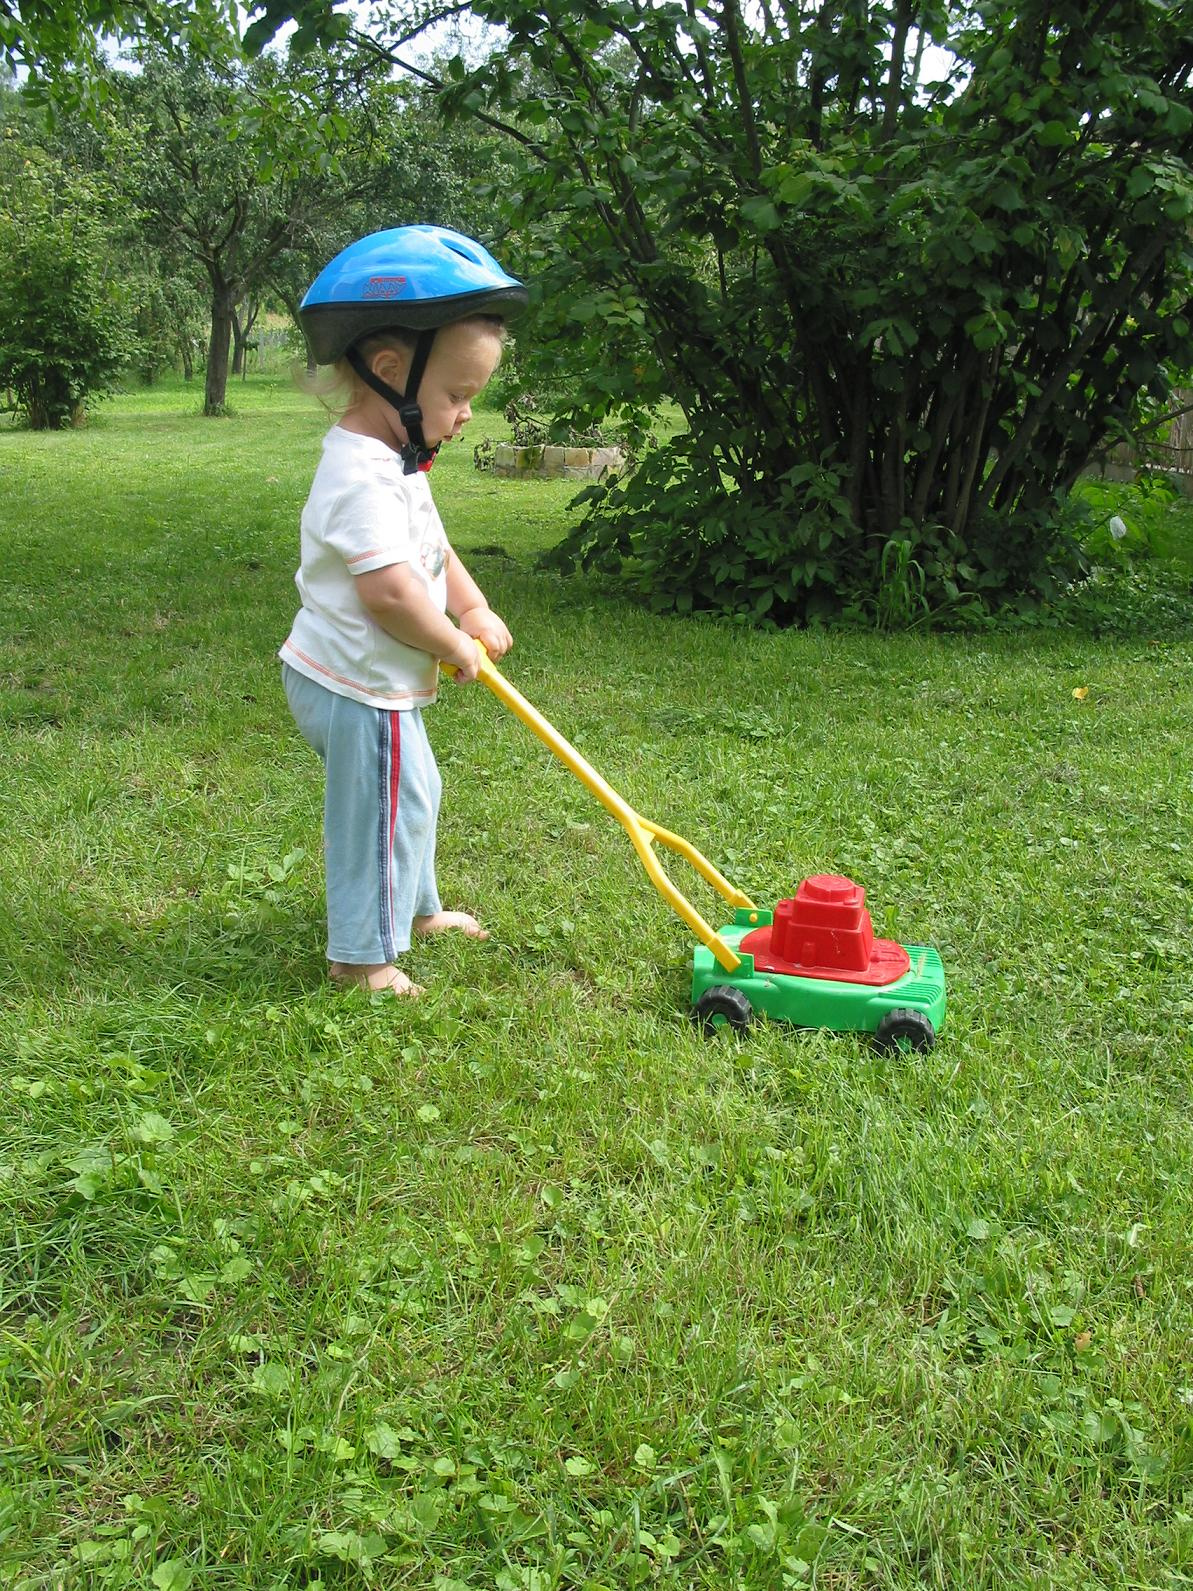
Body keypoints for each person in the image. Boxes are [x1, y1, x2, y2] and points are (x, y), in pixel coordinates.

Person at [280, 225, 528, 997]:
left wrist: (473, 604)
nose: (463, 416)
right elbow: (387, 592)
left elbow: (431, 550)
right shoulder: (358, 473)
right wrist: (452, 641)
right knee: (376, 814)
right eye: (456, 395)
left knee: (413, 793)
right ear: (390, 370)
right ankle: (359, 954)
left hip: (374, 679)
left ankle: (414, 910)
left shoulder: (400, 459)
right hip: (352, 683)